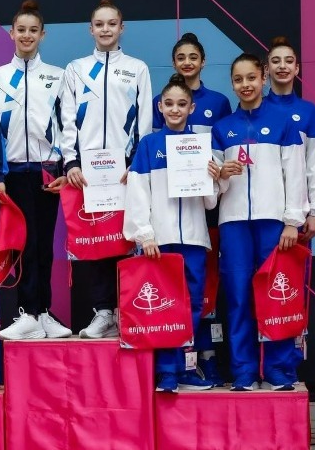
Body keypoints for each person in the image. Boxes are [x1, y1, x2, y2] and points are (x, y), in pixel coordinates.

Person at [211, 54, 308, 391]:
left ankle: (279, 370)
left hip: (273, 222)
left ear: (263, 78)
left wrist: (292, 220)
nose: (245, 85)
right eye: (238, 80)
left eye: (251, 78)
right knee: (238, 297)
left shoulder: (283, 122)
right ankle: (244, 372)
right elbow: (212, 188)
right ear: (232, 84)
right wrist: (222, 175)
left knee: (277, 297)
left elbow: (295, 174)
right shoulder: (222, 129)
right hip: (233, 223)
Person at [61, 0, 153, 338]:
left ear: (121, 28)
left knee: (126, 239)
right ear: (91, 29)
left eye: (111, 23)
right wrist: (71, 161)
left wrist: (137, 162)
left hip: (124, 169)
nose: (105, 29)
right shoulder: (76, 69)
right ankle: (103, 312)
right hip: (88, 171)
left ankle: (125, 311)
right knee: (97, 240)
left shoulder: (137, 68)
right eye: (99, 24)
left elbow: (144, 119)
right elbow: (66, 118)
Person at [125, 75, 219, 393]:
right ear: (160, 108)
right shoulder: (149, 145)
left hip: (194, 238)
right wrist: (146, 234)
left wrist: (213, 177)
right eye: (169, 104)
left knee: (192, 304)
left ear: (191, 108)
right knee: (165, 305)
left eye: (182, 104)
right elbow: (138, 192)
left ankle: (187, 368)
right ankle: (167, 371)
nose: (175, 109)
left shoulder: (201, 146)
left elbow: (210, 202)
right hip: (160, 240)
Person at [0, 0, 72, 340]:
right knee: (22, 244)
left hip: (48, 172)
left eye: (33, 30)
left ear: (42, 35)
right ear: (11, 33)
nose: (26, 35)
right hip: (14, 174)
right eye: (21, 30)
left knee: (44, 244)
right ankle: (27, 313)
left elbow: (67, 126)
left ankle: (44, 313)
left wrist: (64, 166)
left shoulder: (58, 76)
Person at [154, 32, 233, 387]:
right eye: (181, 57)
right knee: (173, 294)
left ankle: (206, 357)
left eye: (193, 57)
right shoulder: (159, 106)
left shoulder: (218, 102)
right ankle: (173, 366)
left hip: (204, 213)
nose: (187, 62)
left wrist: (217, 178)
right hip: (167, 216)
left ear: (203, 61)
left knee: (204, 289)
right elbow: (154, 155)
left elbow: (220, 152)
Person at [264, 36, 315, 380]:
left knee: (287, 291)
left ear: (297, 68)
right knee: (256, 288)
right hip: (260, 215)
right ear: (266, 69)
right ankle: (257, 367)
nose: (282, 66)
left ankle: (286, 366)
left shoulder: (309, 112)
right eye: (276, 61)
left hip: (297, 217)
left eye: (288, 61)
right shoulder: (253, 109)